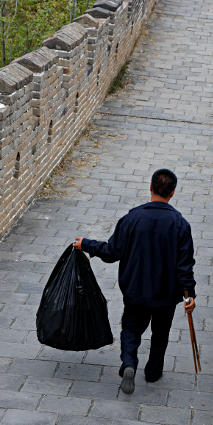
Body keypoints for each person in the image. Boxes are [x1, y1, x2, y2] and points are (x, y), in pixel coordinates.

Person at [73, 168, 196, 395]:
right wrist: (189, 294)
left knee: (130, 329)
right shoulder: (180, 224)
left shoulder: (131, 218)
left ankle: (129, 363)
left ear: (150, 188)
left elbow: (111, 252)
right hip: (166, 295)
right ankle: (153, 371)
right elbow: (185, 264)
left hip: (135, 291)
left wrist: (86, 244)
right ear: (173, 193)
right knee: (161, 333)